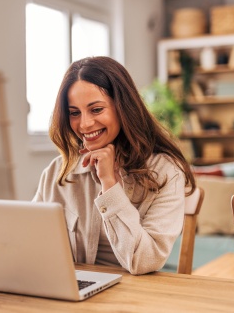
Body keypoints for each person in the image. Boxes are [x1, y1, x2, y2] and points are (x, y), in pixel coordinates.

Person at [33, 56, 196, 275]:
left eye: (96, 109)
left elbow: (144, 261)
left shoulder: (165, 172)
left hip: (135, 297)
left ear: (123, 107)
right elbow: (30, 242)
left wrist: (109, 184)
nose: (85, 124)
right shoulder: (58, 171)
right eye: (74, 113)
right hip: (74, 293)